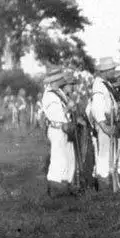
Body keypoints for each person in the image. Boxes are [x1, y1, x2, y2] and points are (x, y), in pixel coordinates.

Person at [88, 57, 120, 190]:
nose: (114, 71)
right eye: (112, 69)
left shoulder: (106, 84)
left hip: (112, 122)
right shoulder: (98, 85)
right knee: (104, 155)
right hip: (105, 123)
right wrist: (104, 126)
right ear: (105, 71)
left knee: (113, 154)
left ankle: (112, 185)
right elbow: (97, 107)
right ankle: (104, 186)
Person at [41, 68, 77, 197]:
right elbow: (56, 115)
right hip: (57, 129)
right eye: (61, 78)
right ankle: (55, 188)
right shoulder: (49, 95)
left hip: (66, 129)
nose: (63, 79)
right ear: (55, 80)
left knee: (68, 158)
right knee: (58, 159)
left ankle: (66, 185)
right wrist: (68, 107)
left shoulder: (58, 92)